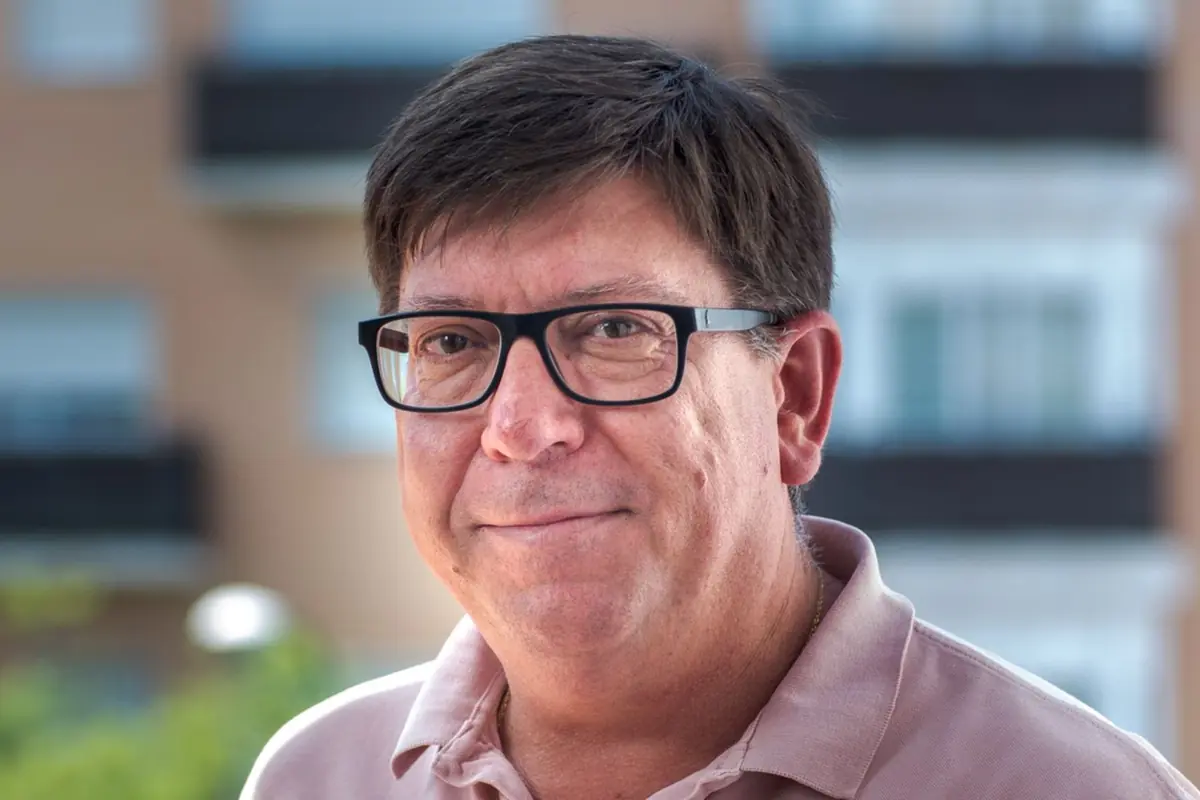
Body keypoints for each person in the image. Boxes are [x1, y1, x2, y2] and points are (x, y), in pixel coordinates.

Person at [240, 34, 1199, 800]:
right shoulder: (319, 777)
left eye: (614, 329)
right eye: (451, 342)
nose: (521, 427)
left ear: (795, 396)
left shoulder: (1063, 789)